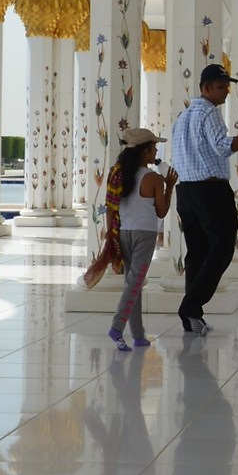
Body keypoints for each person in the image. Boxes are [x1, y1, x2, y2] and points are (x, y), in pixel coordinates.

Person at [169, 62, 238, 336]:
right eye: (221, 87)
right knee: (222, 247)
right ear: (205, 88)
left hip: (187, 192)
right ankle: (190, 306)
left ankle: (193, 317)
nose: (225, 92)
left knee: (197, 252)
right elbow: (224, 147)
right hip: (210, 191)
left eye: (227, 87)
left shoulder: (182, 117)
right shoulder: (209, 112)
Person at [102, 128, 175, 353]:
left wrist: (109, 233)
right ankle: (116, 328)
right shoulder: (154, 178)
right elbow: (161, 212)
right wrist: (170, 187)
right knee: (135, 283)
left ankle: (138, 336)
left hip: (124, 232)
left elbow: (110, 207)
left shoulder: (118, 174)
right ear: (144, 152)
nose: (156, 152)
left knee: (132, 283)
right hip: (145, 234)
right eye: (153, 148)